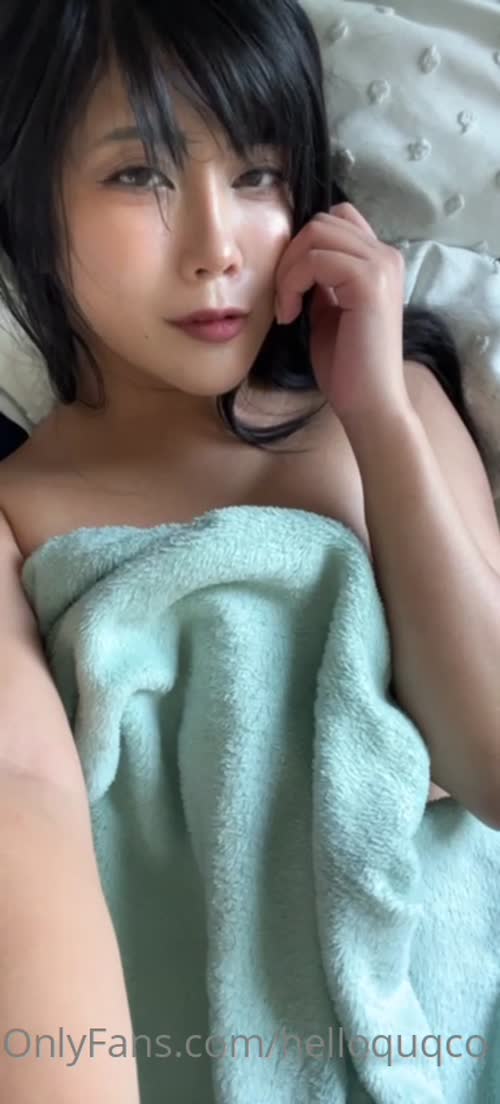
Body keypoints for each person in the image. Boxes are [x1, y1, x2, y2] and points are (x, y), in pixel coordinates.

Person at [0, 0, 500, 1098]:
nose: (216, 247)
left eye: (259, 175)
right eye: (139, 175)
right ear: (28, 200)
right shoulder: (19, 507)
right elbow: (20, 799)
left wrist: (377, 413)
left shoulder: (396, 408)